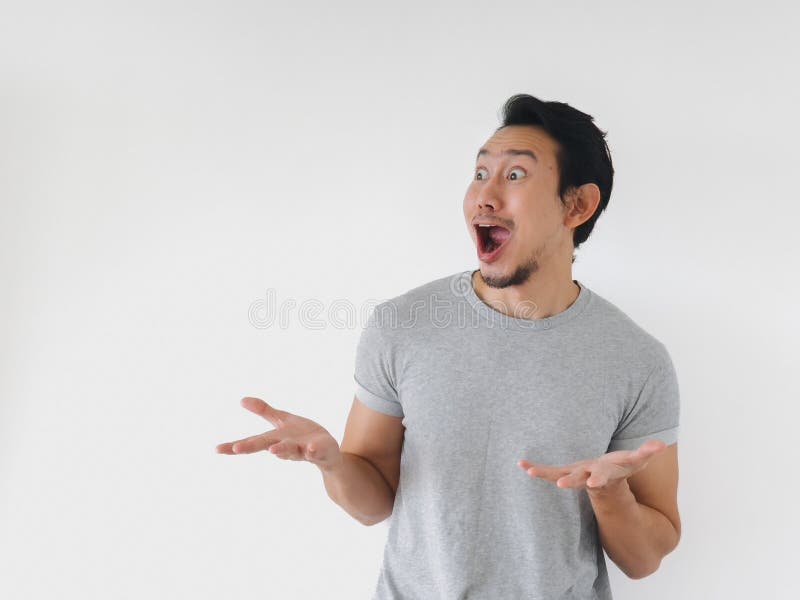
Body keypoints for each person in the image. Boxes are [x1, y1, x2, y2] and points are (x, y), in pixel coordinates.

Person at [216, 93, 682, 599]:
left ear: (577, 205)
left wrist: (610, 493)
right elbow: (372, 502)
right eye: (480, 173)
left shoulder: (637, 360)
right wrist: (334, 464)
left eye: (516, 175)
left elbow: (644, 559)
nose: (484, 195)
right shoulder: (402, 326)